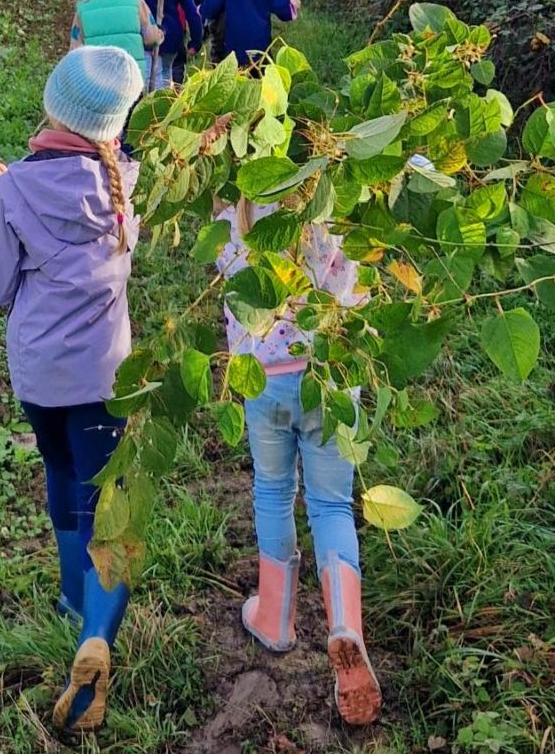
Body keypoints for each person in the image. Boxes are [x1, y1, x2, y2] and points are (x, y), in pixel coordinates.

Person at [0, 46, 145, 735]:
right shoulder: (128, 181)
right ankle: (95, 635)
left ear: (53, 105)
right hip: (107, 377)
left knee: (62, 476)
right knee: (111, 507)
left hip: (41, 378)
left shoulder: (15, 188)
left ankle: (73, 603)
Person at [215, 198, 382, 727]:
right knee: (331, 504)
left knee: (272, 490)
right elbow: (362, 275)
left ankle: (274, 617)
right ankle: (345, 626)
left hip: (263, 379)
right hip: (330, 377)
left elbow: (226, 268)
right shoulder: (340, 204)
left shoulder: (236, 213)